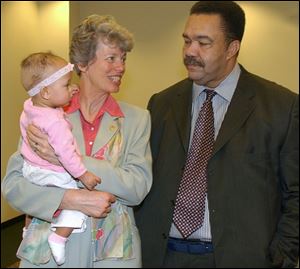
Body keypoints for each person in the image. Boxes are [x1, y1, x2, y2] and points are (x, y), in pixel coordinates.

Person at [135, 1, 299, 268]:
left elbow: (296, 194)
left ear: (232, 48)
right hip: (163, 256)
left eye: (203, 42)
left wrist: (280, 258)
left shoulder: (281, 107)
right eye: (187, 41)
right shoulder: (161, 103)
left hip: (240, 259)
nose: (190, 51)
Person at [2, 14, 152, 268]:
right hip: (49, 256)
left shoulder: (137, 118)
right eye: (111, 58)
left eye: (123, 59)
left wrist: (74, 161)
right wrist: (69, 199)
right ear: (82, 63)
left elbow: (137, 188)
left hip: (114, 255)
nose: (121, 67)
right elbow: (14, 186)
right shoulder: (44, 115)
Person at [19, 52, 101, 266]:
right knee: (78, 201)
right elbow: (66, 154)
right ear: (46, 92)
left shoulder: (30, 106)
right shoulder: (56, 123)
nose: (71, 88)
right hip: (50, 171)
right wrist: (83, 174)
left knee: (34, 203)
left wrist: (64, 94)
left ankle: (27, 229)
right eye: (66, 85)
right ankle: (59, 237)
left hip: (30, 168)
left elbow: (50, 102)